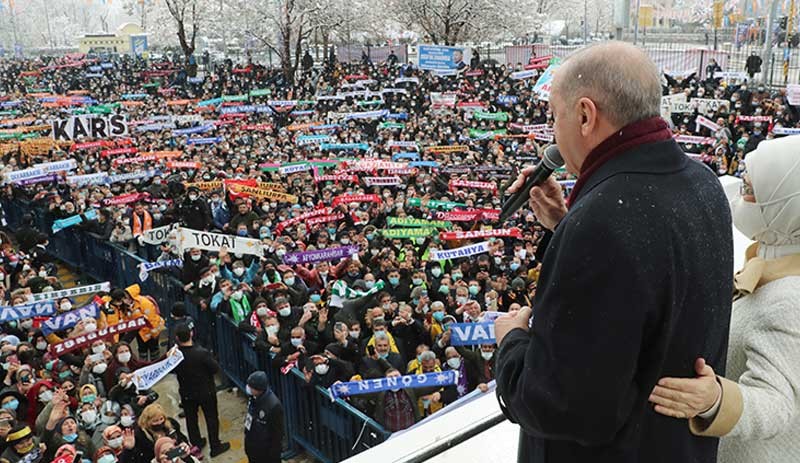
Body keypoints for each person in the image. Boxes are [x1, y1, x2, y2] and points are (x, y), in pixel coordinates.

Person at [494, 41, 733, 462]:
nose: (554, 133)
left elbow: (565, 406)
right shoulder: (703, 182)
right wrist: (565, 224)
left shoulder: (601, 223)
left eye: (555, 117)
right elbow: (642, 283)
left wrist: (511, 343)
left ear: (585, 115)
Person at [648, 136, 800, 462]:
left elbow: (777, 404)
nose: (741, 198)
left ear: (785, 205)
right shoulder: (772, 263)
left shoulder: (789, 300)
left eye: (751, 189)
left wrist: (716, 400)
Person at [171, 324, 230, 457]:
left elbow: (171, 370)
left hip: (187, 392)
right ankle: (215, 445)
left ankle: (196, 444)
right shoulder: (202, 353)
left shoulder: (176, 356)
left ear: (176, 338)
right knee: (212, 418)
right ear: (191, 333)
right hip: (206, 391)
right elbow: (215, 368)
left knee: (191, 419)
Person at [244, 371, 284, 463]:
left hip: (265, 452)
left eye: (251, 387)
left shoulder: (273, 406)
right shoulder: (253, 398)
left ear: (258, 389)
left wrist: (273, 455)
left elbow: (277, 434)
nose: (248, 388)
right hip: (252, 445)